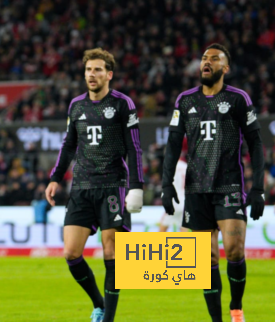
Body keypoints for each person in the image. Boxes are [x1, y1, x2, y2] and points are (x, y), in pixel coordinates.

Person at [162, 43, 265, 322]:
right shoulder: (185, 100)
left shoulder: (238, 99)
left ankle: (236, 307)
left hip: (229, 186)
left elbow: (256, 144)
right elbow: (173, 144)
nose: (206, 62)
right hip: (196, 189)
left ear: (225, 68)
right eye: (204, 58)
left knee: (234, 250)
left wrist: (258, 188)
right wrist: (166, 183)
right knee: (205, 261)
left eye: (214, 59)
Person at [45, 48, 144, 322]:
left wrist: (136, 186)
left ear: (109, 74)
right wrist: (55, 177)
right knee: (71, 252)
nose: (92, 74)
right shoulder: (76, 106)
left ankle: (108, 318)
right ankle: (98, 303)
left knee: (112, 250)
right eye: (89, 69)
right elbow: (68, 146)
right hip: (81, 186)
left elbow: (135, 148)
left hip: (113, 184)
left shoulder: (123, 104)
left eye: (98, 69)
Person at [159, 138, 189, 233]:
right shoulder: (186, 166)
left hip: (174, 201)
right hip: (185, 201)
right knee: (184, 229)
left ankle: (157, 247)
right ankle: (186, 248)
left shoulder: (170, 168)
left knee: (162, 229)